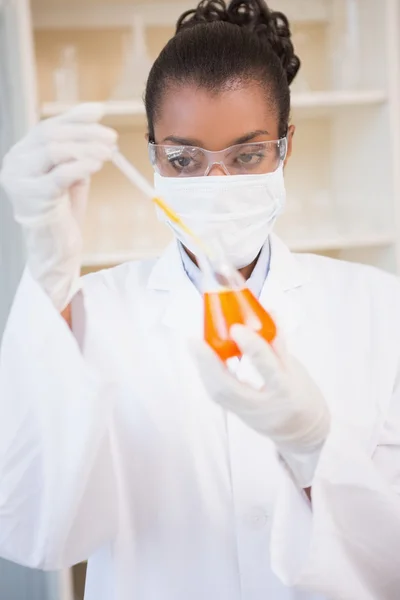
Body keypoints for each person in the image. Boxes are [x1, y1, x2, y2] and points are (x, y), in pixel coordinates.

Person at [1, 0, 400, 598]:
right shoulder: (87, 311)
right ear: (153, 154)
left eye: (247, 155)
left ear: (285, 146)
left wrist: (316, 449)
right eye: (184, 159)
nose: (216, 185)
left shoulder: (377, 309)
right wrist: (49, 277)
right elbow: (33, 532)